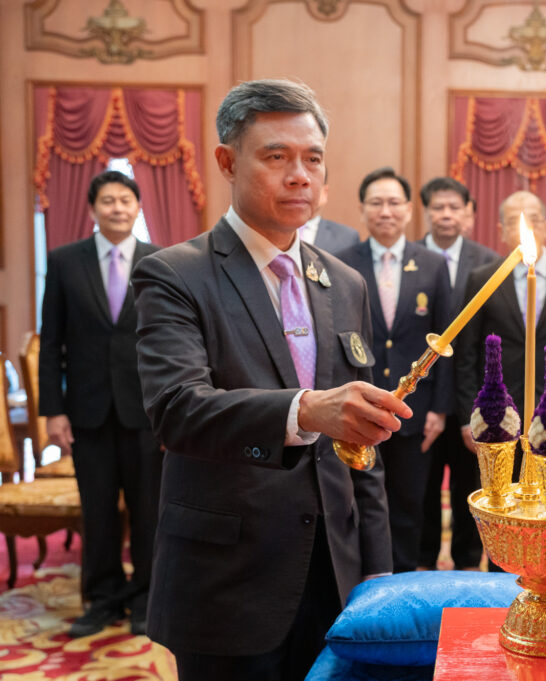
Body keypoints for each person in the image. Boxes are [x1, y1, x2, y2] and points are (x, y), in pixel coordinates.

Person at [132, 79, 407, 681]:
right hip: (229, 575)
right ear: (228, 162)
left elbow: (364, 437)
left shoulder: (344, 282)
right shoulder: (175, 275)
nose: (299, 175)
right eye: (276, 156)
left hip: (334, 570)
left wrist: (379, 569)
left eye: (312, 159)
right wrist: (305, 410)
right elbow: (178, 408)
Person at [38, 170, 162, 638]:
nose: (117, 207)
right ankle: (102, 598)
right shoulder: (66, 262)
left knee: (149, 509)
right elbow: (51, 343)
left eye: (125, 199)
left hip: (146, 411)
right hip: (86, 411)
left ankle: (147, 600)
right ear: (92, 209)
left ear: (137, 208)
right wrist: (53, 410)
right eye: (107, 200)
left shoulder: (160, 261)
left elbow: (172, 341)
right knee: (98, 510)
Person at [338, 167, 453, 574]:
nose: (385, 211)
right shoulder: (342, 264)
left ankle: (401, 580)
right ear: (363, 209)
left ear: (408, 210)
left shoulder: (433, 264)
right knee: (360, 501)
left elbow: (445, 340)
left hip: (413, 413)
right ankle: (363, 577)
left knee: (408, 504)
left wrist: (439, 410)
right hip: (360, 405)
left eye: (393, 203)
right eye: (376, 203)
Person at [455, 190, 546, 496]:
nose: (527, 229)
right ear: (501, 231)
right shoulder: (483, 279)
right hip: (496, 414)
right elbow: (466, 354)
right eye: (516, 222)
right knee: (498, 504)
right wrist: (470, 417)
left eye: (534, 221)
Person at [416, 176, 498, 571]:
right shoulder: (410, 257)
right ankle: (423, 564)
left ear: (469, 213)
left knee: (471, 487)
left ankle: (468, 562)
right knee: (423, 488)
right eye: (437, 207)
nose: (445, 215)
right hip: (423, 400)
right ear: (426, 212)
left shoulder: (489, 264)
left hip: (471, 399)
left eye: (454, 207)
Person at [298, 177, 359, 257]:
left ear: (325, 192)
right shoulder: (277, 231)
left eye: (308, 185)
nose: (302, 193)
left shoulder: (347, 237)